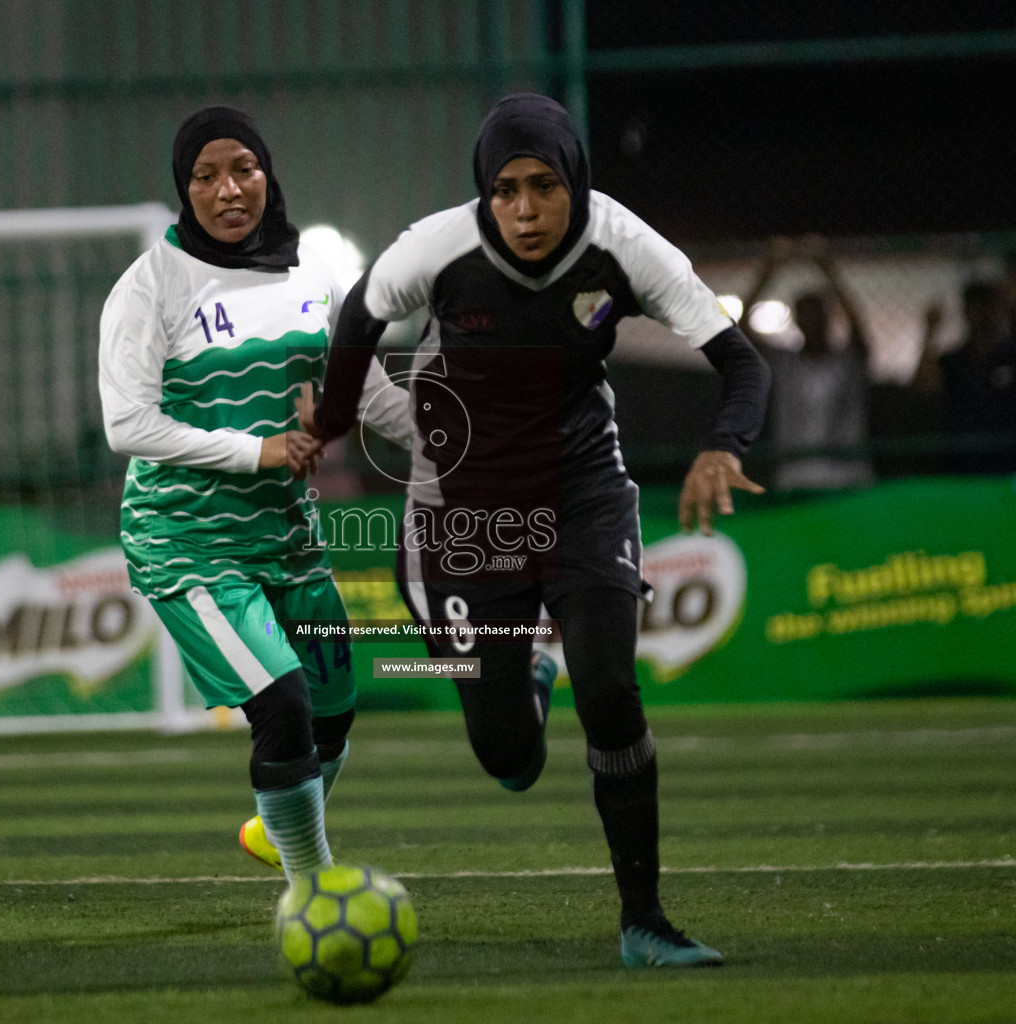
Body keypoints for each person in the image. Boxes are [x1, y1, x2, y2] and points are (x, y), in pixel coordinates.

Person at [298, 94, 770, 968]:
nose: (523, 209)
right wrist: (330, 420)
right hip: (459, 515)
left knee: (613, 693)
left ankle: (644, 923)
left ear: (575, 183)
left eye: (543, 187)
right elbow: (359, 321)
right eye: (506, 190)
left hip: (582, 492)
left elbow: (741, 363)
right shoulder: (435, 248)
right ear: (484, 193)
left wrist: (721, 446)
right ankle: (532, 676)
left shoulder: (626, 248)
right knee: (507, 757)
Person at [98, 106, 409, 882]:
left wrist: (471, 450)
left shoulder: (313, 272)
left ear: (268, 175)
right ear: (184, 189)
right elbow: (127, 424)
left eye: (244, 168)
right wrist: (258, 449)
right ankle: (316, 890)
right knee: (284, 707)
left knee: (335, 713)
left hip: (286, 535)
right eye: (206, 176)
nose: (229, 189)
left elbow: (367, 393)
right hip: (187, 540)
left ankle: (279, 831)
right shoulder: (151, 286)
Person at [740, 235, 875, 490]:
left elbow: (859, 329)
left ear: (828, 318)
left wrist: (827, 269)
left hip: (846, 477)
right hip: (795, 477)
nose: (812, 321)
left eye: (818, 314)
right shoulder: (784, 363)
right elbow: (739, 331)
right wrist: (769, 270)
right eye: (805, 315)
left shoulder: (848, 362)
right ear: (798, 321)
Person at [914, 268, 1016, 473]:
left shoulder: (1012, 354)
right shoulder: (954, 360)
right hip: (962, 465)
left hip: (1010, 463)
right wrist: (930, 333)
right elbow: (924, 386)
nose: (983, 312)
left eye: (989, 304)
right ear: (965, 310)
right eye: (975, 305)